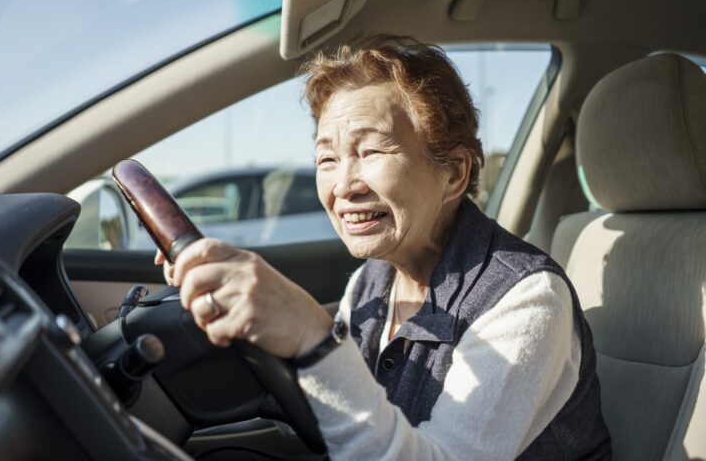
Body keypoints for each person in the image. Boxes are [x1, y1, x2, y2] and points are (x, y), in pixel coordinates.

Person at [155, 36, 612, 460]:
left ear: (453, 172)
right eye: (327, 159)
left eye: (371, 152)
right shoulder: (373, 279)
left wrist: (314, 337)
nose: (343, 185)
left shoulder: (527, 299)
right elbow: (334, 416)